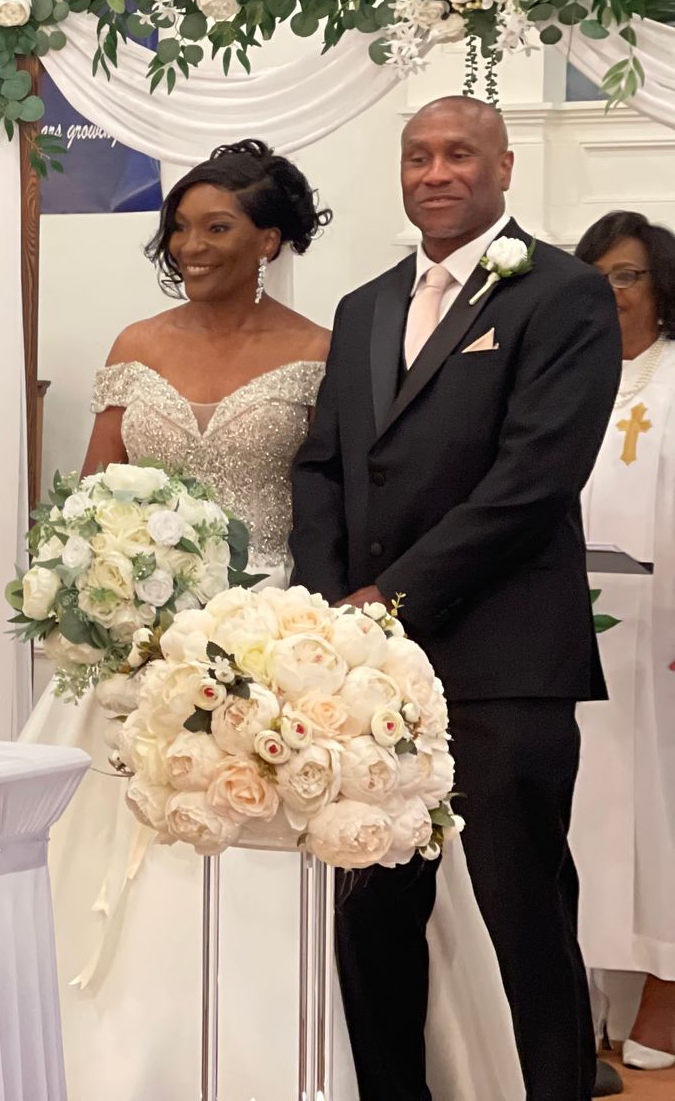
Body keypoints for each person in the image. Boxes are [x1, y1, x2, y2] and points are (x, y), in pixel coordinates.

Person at [20, 140, 518, 1099]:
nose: (192, 246)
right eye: (180, 227)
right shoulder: (134, 346)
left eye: (217, 227)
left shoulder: (323, 349)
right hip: (138, 642)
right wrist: (97, 581)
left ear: (269, 239)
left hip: (272, 638)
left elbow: (340, 494)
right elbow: (95, 493)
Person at [292, 96, 621, 1101]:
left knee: (520, 913)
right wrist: (329, 611)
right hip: (371, 673)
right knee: (377, 912)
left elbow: (534, 478)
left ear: (505, 166)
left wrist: (392, 597)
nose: (437, 172)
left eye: (459, 154)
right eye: (418, 156)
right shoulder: (363, 306)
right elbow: (324, 468)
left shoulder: (563, 294)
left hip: (503, 661)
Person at [570, 210, 675, 1075]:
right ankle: (591, 998)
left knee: (660, 809)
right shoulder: (566, 378)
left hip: (665, 637)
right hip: (578, 631)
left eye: (627, 275)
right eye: (596, 275)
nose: (611, 293)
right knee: (589, 813)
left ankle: (664, 992)